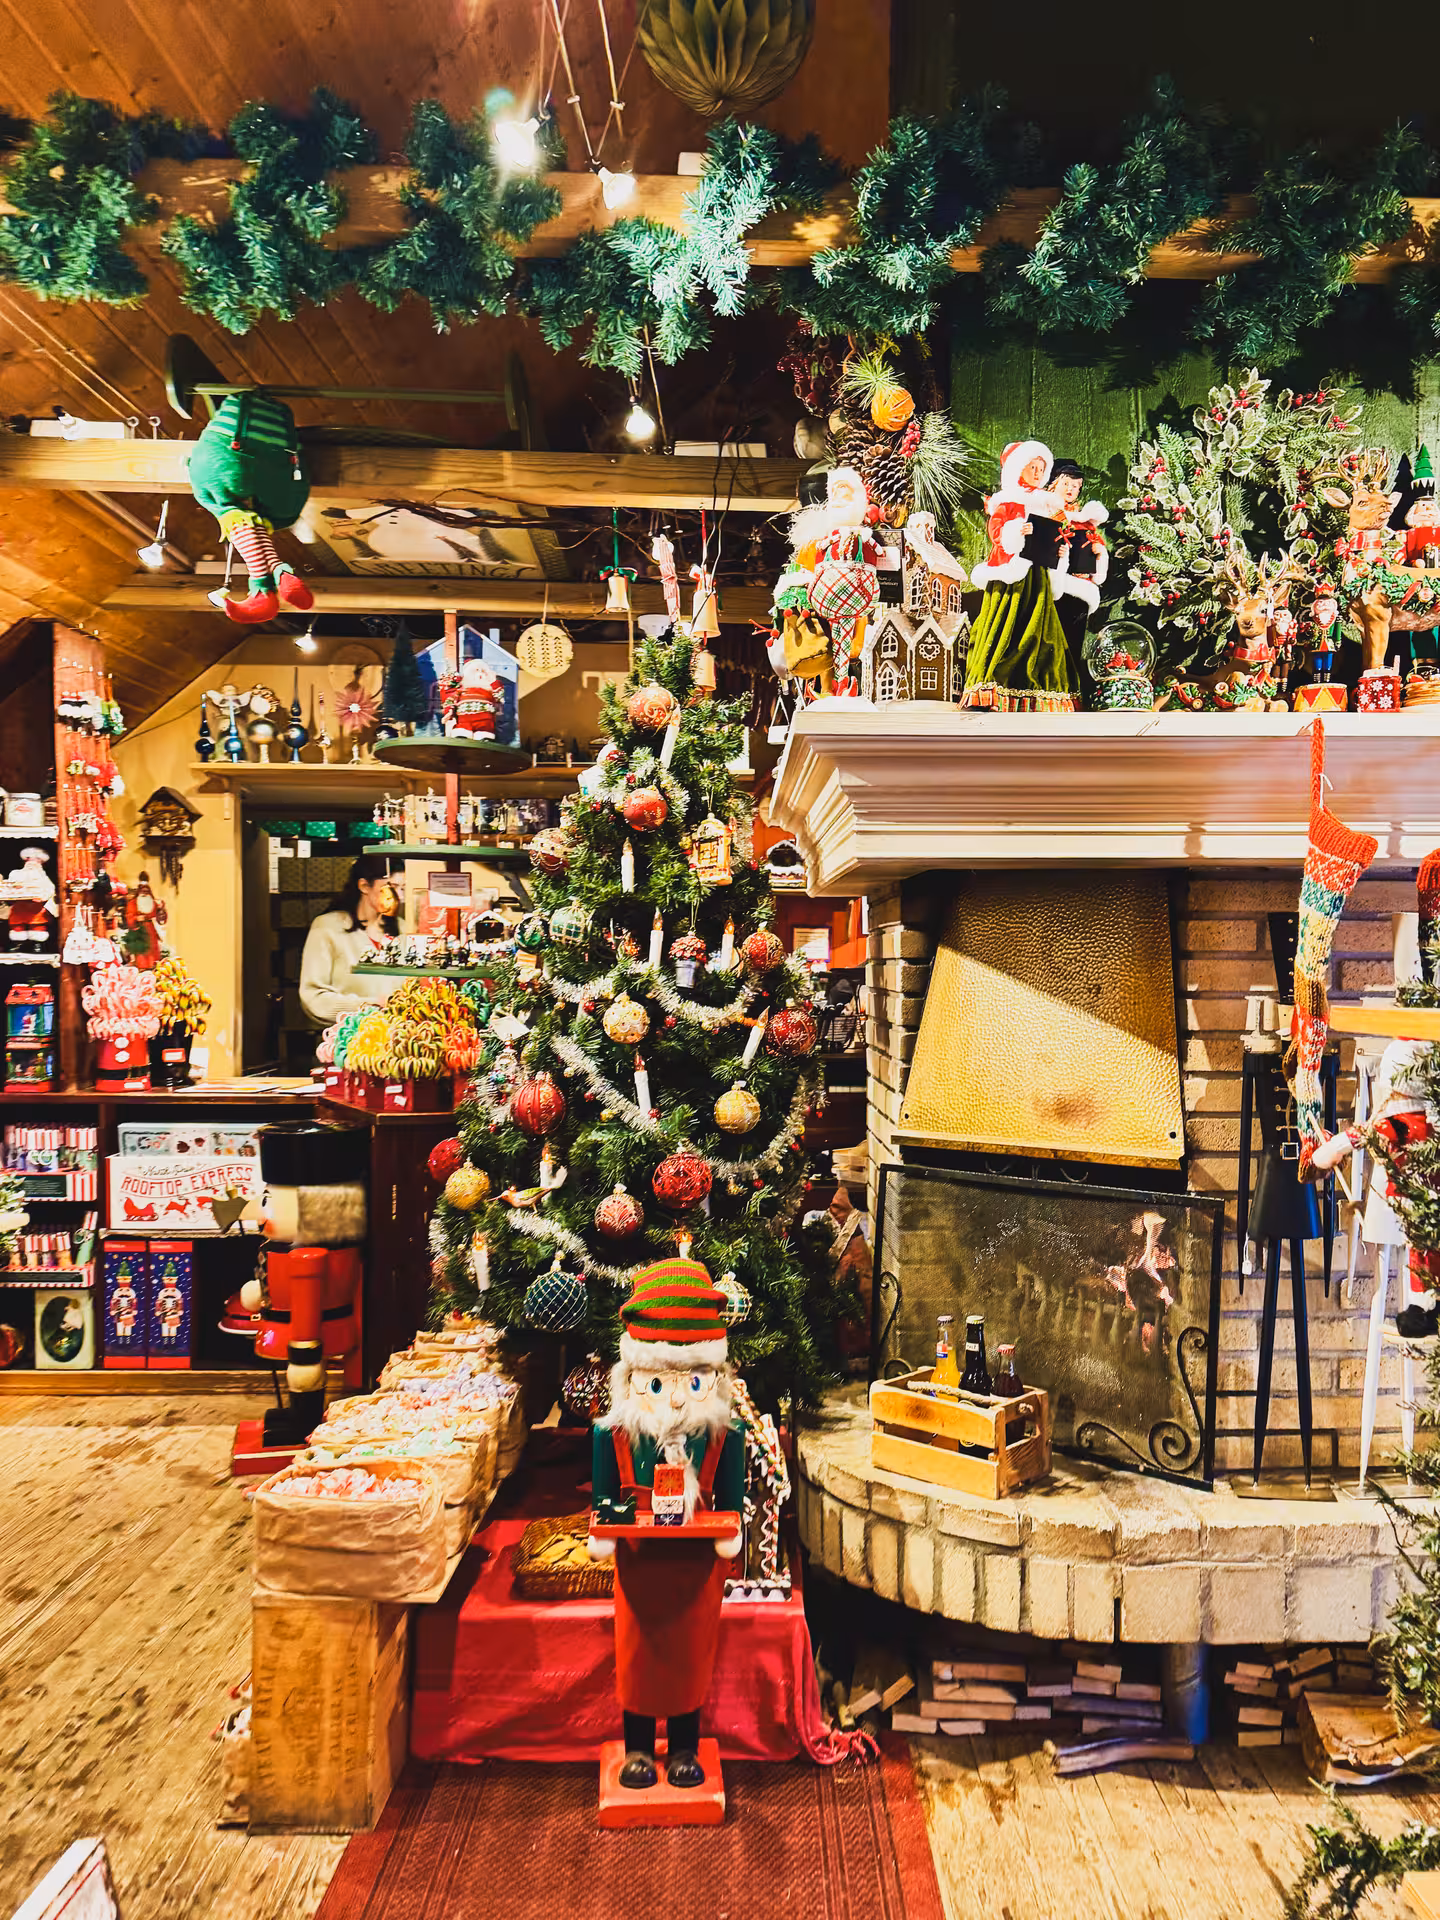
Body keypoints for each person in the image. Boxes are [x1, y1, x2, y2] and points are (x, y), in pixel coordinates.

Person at [298, 854, 401, 1027]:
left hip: (401, 1039)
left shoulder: (405, 930)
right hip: (349, 1039)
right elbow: (313, 997)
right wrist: (369, 1007)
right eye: (391, 887)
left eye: (403, 888)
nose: (398, 896)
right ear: (364, 886)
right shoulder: (327, 928)